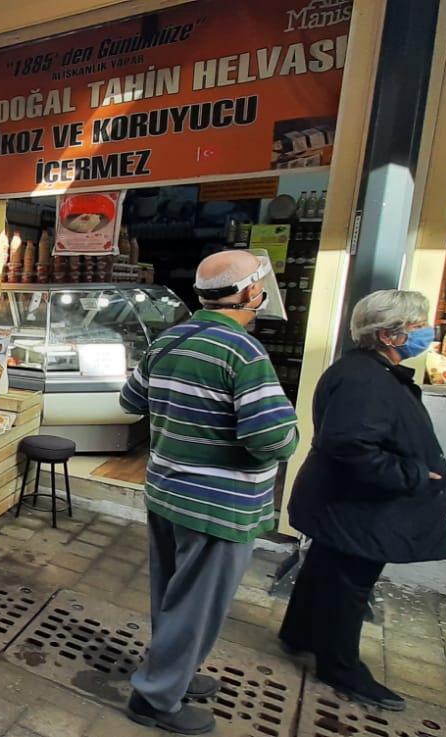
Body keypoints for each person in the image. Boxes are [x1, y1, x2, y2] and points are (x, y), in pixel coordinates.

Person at [118, 249, 300, 735]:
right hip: (218, 505)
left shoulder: (168, 339)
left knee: (173, 596)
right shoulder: (243, 352)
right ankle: (155, 698)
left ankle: (170, 670)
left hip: (167, 492)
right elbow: (274, 439)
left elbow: (129, 401)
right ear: (250, 294)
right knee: (197, 603)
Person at [279, 290, 446, 712]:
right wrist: (413, 474)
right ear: (389, 336)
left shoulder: (368, 371)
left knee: (324, 568)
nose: (425, 333)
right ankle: (339, 666)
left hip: (343, 503)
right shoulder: (364, 378)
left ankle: (300, 633)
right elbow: (351, 446)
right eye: (416, 327)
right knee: (349, 586)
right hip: (357, 506)